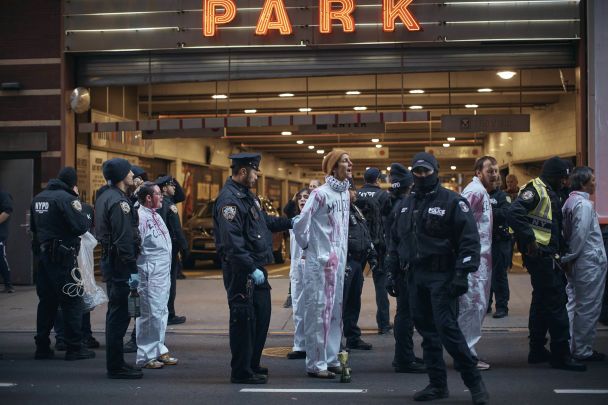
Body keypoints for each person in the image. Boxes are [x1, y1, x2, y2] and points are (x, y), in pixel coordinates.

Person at [392, 152, 489, 404]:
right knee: (427, 333)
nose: (422, 176)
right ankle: (437, 385)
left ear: (436, 171)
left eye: (426, 171)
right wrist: (392, 274)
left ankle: (475, 384)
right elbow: (395, 242)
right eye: (418, 172)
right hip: (414, 276)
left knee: (448, 330)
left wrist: (461, 274)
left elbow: (470, 241)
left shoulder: (453, 202)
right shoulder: (404, 205)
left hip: (442, 276)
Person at [213, 153, 293, 384]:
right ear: (243, 171)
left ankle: (252, 363)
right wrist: (250, 268)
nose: (257, 175)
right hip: (241, 270)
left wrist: (291, 222)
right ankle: (241, 371)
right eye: (255, 171)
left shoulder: (248, 197)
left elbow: (265, 221)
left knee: (261, 317)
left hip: (256, 267)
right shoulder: (229, 201)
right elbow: (232, 242)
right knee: (243, 321)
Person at [508, 156, 585, 371]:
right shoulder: (536, 189)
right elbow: (514, 213)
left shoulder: (550, 191)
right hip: (541, 257)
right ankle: (561, 355)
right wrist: (530, 239)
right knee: (557, 302)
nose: (565, 182)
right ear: (553, 175)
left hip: (547, 255)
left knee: (541, 302)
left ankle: (537, 350)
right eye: (562, 178)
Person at [292, 149, 351, 379]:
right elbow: (300, 224)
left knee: (335, 312)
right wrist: (309, 248)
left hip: (338, 263)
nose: (350, 164)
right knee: (318, 312)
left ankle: (331, 358)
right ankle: (316, 363)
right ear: (334, 167)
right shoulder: (319, 194)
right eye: (345, 161)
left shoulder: (344, 194)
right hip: (319, 263)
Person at [30, 167, 95, 361]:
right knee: (72, 300)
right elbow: (80, 227)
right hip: (64, 258)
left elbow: (34, 230)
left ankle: (42, 346)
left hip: (43, 258)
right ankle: (74, 347)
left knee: (47, 302)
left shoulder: (38, 198)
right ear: (73, 183)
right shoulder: (68, 199)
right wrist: (84, 211)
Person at [95, 158, 144, 379]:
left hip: (112, 261)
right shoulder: (119, 203)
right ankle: (115, 366)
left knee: (117, 312)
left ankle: (115, 363)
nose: (133, 174)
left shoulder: (107, 196)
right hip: (120, 264)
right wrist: (132, 269)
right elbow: (124, 239)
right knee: (120, 314)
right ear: (122, 176)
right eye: (129, 172)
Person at [561, 167, 607, 361]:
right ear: (583, 183)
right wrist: (570, 258)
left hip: (579, 262)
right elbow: (579, 235)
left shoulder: (569, 202)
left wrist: (568, 259)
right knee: (588, 307)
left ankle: (571, 344)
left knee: (574, 304)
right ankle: (582, 350)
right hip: (588, 262)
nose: (595, 183)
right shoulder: (584, 205)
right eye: (593, 179)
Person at [384, 163, 425, 374]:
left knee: (405, 314)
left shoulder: (393, 203)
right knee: (406, 315)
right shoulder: (404, 206)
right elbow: (399, 242)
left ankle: (405, 355)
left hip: (397, 266)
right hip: (403, 267)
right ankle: (403, 359)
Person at [458, 156, 496, 371]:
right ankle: (466, 357)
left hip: (482, 261)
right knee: (472, 307)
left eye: (497, 171)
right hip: (474, 261)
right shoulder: (475, 192)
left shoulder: (482, 192)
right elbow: (461, 223)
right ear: (478, 172)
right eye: (490, 171)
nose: (495, 175)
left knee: (477, 307)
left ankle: (466, 353)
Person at [135, 182, 179, 369]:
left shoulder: (156, 215)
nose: (162, 197)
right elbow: (138, 246)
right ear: (148, 198)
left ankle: (159, 349)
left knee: (161, 312)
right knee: (148, 314)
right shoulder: (140, 216)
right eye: (158, 194)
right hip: (149, 273)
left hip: (162, 273)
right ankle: (145, 355)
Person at [356, 167, 392, 335]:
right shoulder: (384, 196)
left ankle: (350, 326)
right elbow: (388, 220)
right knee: (381, 286)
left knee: (354, 287)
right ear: (378, 179)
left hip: (358, 244)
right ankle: (383, 324)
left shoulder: (356, 194)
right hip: (378, 245)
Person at [343, 178, 377, 351]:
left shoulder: (355, 209)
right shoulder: (339, 209)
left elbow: (364, 232)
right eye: (352, 190)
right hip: (346, 261)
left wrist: (371, 255)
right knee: (341, 302)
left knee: (353, 301)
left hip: (358, 261)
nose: (355, 193)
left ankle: (352, 337)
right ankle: (336, 341)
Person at [155, 176, 188, 325]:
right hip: (171, 249)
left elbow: (180, 195)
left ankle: (165, 312)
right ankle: (169, 314)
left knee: (163, 282)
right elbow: (176, 229)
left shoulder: (158, 204)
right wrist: (185, 247)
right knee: (170, 282)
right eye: (171, 185)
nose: (174, 187)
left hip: (161, 249)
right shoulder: (169, 205)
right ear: (163, 188)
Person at [123, 165, 149, 354]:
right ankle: (127, 337)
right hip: (128, 259)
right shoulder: (122, 198)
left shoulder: (147, 199)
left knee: (139, 301)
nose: (134, 180)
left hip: (141, 259)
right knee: (128, 301)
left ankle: (135, 337)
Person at [286, 187, 310, 360]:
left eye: (306, 197)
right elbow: (287, 209)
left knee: (314, 308)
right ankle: (299, 345)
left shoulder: (316, 219)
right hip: (296, 269)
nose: (302, 199)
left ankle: (315, 344)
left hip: (312, 267)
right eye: (300, 197)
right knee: (298, 309)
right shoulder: (294, 220)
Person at [488, 175, 512, 319]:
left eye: (496, 181)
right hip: (485, 241)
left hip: (500, 241)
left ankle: (502, 307)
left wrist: (487, 211)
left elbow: (506, 213)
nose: (493, 183)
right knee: (486, 275)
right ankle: (486, 304)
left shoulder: (503, 196)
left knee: (499, 275)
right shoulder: (481, 194)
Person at [0, 187, 15, 293]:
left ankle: (8, 284)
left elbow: (7, 211)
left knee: (1, 259)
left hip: (0, 234)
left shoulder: (4, 195)